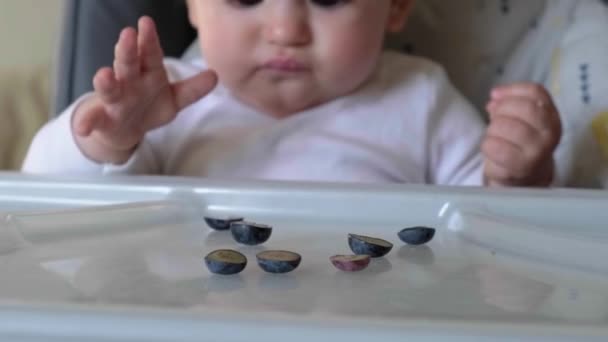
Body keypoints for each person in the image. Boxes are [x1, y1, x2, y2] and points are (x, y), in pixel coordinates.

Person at [21, 0, 561, 187]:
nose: (284, 29)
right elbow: (50, 203)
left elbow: (490, 245)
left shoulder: (421, 99)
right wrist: (110, 139)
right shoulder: (162, 99)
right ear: (192, 6)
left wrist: (516, 175)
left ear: (396, 7)